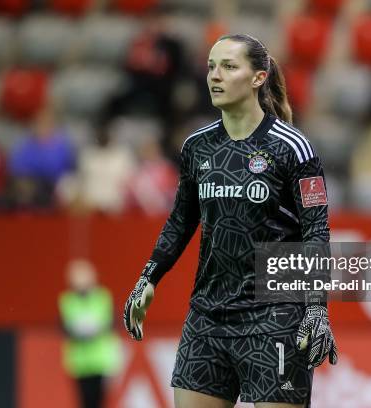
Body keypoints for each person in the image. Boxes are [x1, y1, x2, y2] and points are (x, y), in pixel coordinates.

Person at [123, 34, 337, 407]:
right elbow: (180, 222)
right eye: (210, 67)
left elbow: (315, 230)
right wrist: (149, 276)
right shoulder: (197, 147)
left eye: (228, 66)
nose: (214, 76)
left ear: (258, 78)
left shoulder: (292, 147)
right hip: (208, 315)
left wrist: (317, 307)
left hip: (277, 318)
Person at [59, 259, 122, 408]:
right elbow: (65, 328)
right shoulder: (67, 300)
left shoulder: (103, 297)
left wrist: (94, 329)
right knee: (85, 401)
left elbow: (110, 322)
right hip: (79, 362)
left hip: (101, 361)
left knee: (99, 401)